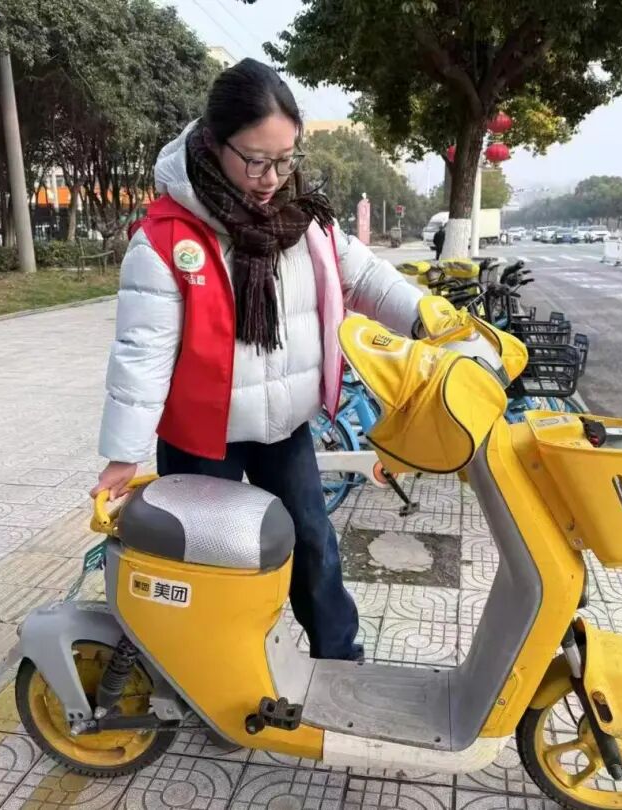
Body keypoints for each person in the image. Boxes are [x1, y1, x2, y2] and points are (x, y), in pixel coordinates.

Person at [91, 59, 422, 661]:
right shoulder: (167, 237)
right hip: (201, 440)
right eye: (256, 161)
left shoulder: (307, 222)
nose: (272, 178)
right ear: (216, 144)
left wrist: (432, 322)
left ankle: (339, 657)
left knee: (313, 541)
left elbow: (369, 280)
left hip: (284, 428)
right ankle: (210, 673)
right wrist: (122, 454)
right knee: (211, 566)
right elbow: (142, 354)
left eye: (286, 159)